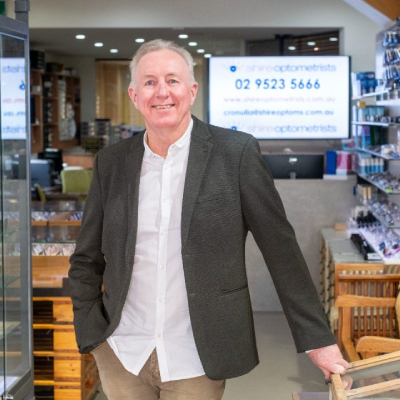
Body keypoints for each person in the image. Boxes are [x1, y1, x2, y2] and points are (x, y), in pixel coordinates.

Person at [69, 39, 348, 400]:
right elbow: (86, 257)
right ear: (135, 95)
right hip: (122, 351)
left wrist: (318, 341)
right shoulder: (112, 162)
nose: (162, 92)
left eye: (172, 80)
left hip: (197, 355)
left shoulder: (235, 153)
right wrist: (90, 329)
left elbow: (282, 252)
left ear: (192, 90)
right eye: (150, 82)